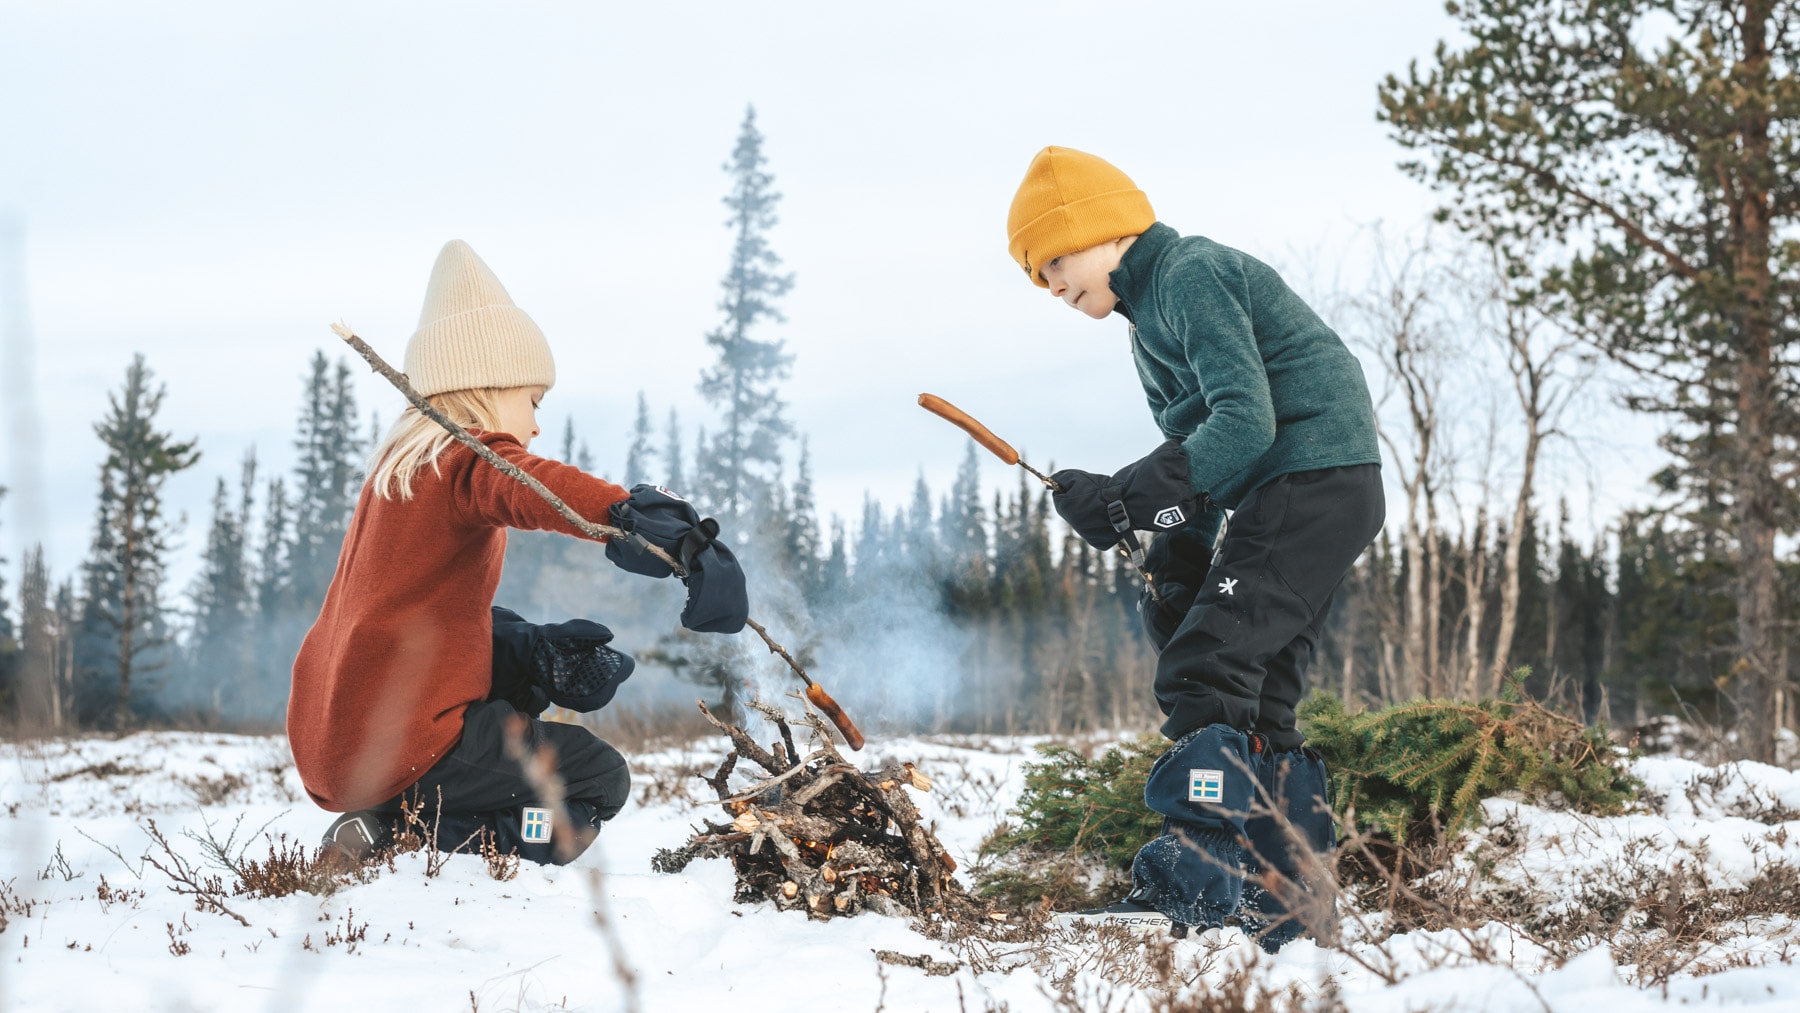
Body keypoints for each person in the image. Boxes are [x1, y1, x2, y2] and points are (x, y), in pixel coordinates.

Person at [1006, 147, 1385, 949]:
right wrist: (1173, 566)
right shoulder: (1147, 331)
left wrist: (1122, 494)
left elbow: (1247, 423)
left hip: (1313, 472)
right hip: (1299, 488)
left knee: (1206, 669)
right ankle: (1288, 902)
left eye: (1054, 260)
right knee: (1260, 689)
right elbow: (1201, 463)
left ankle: (1200, 883)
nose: (1051, 285)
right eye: (1038, 275)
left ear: (1102, 231)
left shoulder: (1188, 273)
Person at [288, 240, 747, 867]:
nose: (534, 424)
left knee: (508, 645)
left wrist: (529, 651)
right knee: (595, 780)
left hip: (342, 739)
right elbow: (529, 484)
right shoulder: (459, 459)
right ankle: (408, 834)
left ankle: (378, 819)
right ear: (485, 386)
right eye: (532, 401)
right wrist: (639, 521)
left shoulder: (397, 473)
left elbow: (413, 614)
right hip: (399, 746)